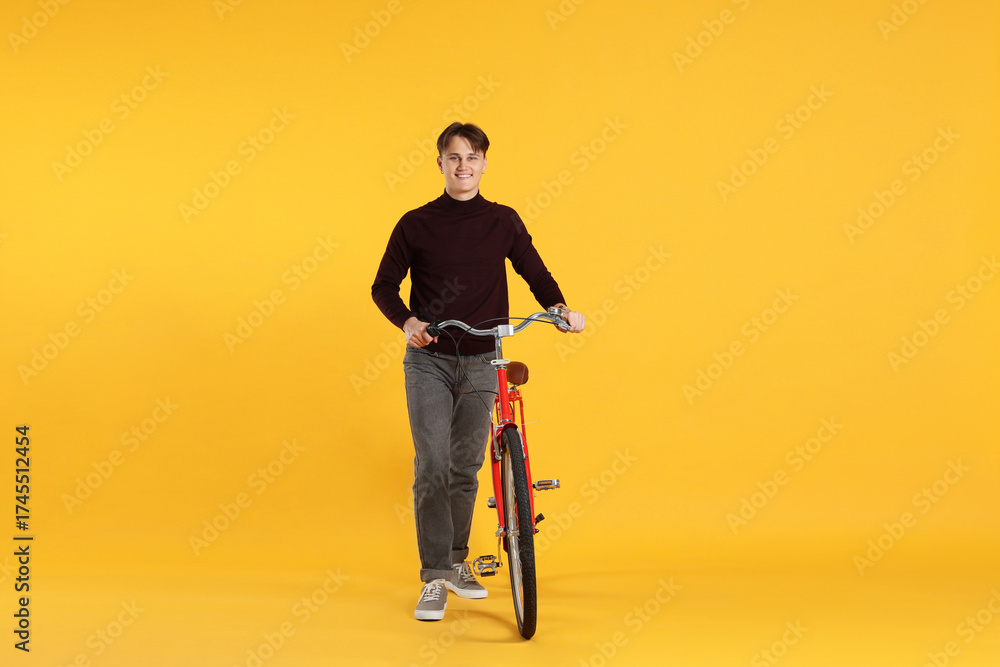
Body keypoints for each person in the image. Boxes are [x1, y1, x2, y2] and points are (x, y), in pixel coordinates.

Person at [372, 122, 585, 621]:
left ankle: (456, 561)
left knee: (466, 468)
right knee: (433, 464)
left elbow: (534, 269)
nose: (463, 165)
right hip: (429, 360)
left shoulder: (502, 221)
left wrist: (559, 307)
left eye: (472, 157)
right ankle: (433, 577)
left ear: (485, 163)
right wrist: (408, 322)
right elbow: (383, 285)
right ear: (440, 164)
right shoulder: (415, 223)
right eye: (453, 157)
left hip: (484, 358)